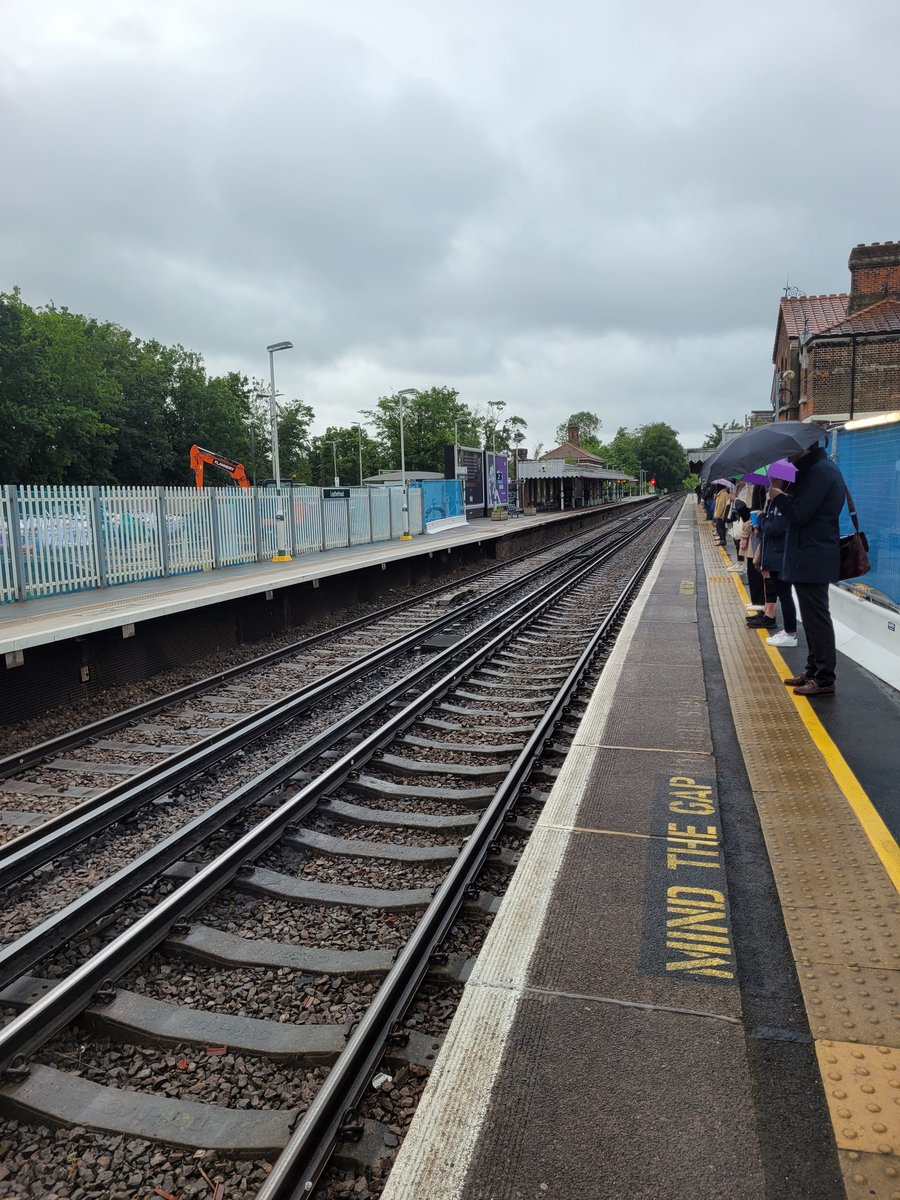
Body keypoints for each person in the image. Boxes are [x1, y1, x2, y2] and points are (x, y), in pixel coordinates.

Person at [767, 442, 845, 696]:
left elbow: (800, 514)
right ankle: (813, 670)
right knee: (811, 619)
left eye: (790, 451)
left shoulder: (820, 472)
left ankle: (824, 679)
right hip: (808, 555)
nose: (787, 456)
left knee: (817, 618)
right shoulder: (815, 471)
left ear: (804, 449)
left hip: (813, 556)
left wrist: (778, 495)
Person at [754, 480, 798, 646]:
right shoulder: (774, 502)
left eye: (773, 480)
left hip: (780, 557)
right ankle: (788, 630)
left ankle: (790, 633)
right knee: (784, 595)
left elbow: (775, 528)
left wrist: (762, 518)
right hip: (775, 555)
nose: (769, 483)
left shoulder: (784, 502)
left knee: (785, 596)